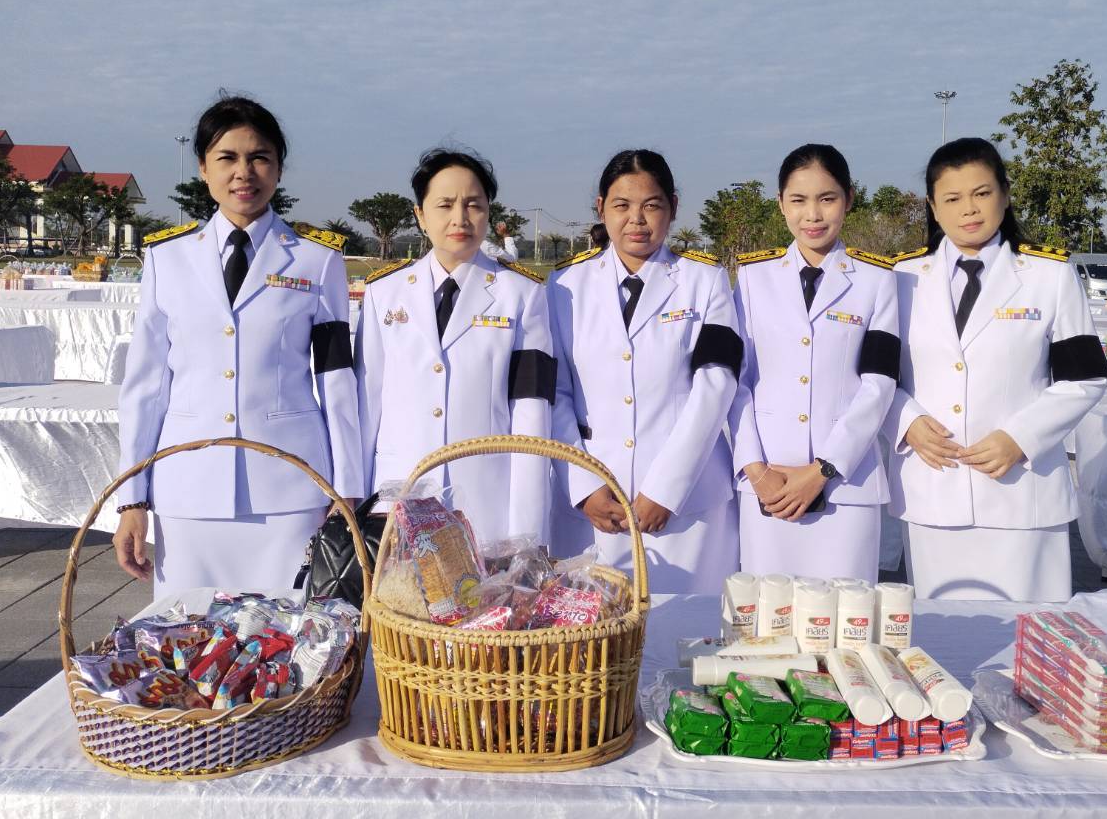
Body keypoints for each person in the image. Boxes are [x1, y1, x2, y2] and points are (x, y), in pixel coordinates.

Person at [113, 95, 362, 596]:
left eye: (259, 157)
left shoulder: (316, 260)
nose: (244, 172)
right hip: (188, 486)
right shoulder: (167, 258)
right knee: (187, 631)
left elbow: (336, 379)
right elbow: (146, 385)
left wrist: (348, 487)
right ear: (203, 168)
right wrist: (131, 498)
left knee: (291, 630)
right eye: (227, 157)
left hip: (291, 487)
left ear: (279, 168)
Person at [886, 136, 1107, 602]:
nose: (968, 209)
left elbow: (1085, 377)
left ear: (1005, 196)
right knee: (943, 630)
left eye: (982, 193)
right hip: (933, 485)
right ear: (933, 207)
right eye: (952, 198)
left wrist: (1020, 438)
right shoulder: (901, 278)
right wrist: (905, 423)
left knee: (1029, 631)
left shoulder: (1049, 276)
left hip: (1021, 489)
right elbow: (874, 377)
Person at [547, 149, 741, 592]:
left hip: (687, 502)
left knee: (689, 625)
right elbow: (555, 393)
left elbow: (716, 384)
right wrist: (584, 487)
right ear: (601, 208)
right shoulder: (563, 286)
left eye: (651, 205)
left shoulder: (704, 280)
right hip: (595, 504)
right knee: (596, 627)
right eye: (622, 205)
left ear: (673, 207)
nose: (636, 219)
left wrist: (667, 488)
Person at [356, 148, 555, 543]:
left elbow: (531, 414)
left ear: (488, 212)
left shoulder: (522, 295)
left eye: (474, 205)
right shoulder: (384, 292)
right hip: (398, 497)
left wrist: (527, 531)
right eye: (445, 204)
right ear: (420, 214)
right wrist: (359, 503)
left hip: (485, 502)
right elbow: (367, 403)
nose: (460, 218)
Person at [728, 144, 900, 581]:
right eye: (798, 200)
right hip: (769, 482)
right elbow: (736, 381)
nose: (813, 215)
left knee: (846, 612)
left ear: (849, 198)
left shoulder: (877, 280)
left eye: (827, 198)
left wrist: (824, 468)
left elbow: (879, 383)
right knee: (768, 610)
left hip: (847, 484)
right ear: (780, 203)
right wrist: (755, 470)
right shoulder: (751, 278)